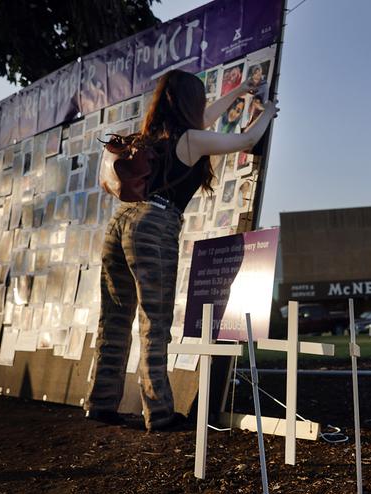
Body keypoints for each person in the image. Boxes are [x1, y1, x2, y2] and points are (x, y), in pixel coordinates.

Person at [84, 70, 278, 431]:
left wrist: (238, 91)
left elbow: (207, 120)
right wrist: (268, 110)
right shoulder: (190, 139)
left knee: (113, 320)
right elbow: (247, 138)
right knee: (153, 324)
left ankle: (100, 403)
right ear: (191, 102)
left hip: (119, 224)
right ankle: (158, 413)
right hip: (153, 227)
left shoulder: (151, 137)